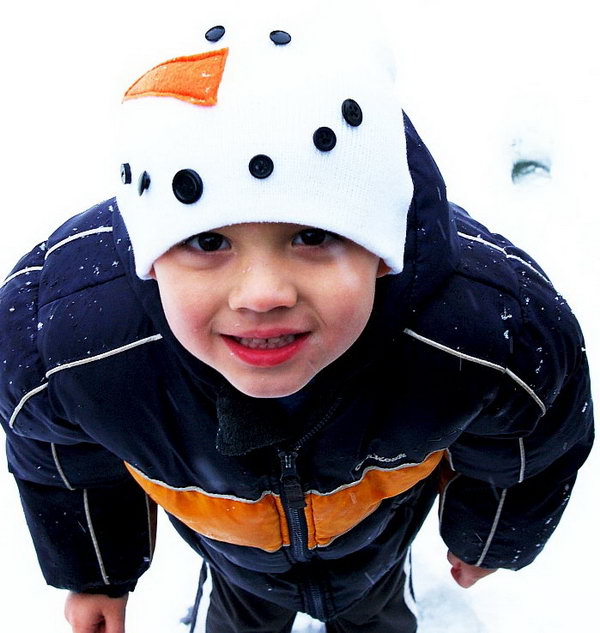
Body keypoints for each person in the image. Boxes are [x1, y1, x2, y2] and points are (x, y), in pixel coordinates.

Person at [0, 3, 593, 632]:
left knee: (377, 612)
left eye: (312, 234)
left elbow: (535, 435)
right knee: (239, 616)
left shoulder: (472, 336)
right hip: (232, 558)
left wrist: (490, 533)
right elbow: (61, 458)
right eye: (207, 242)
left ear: (383, 244)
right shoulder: (81, 349)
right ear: (151, 251)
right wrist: (96, 570)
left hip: (374, 545)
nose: (261, 293)